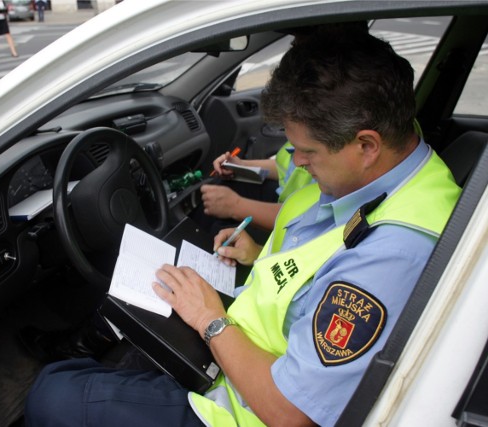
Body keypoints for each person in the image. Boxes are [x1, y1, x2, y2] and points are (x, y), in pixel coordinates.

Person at [24, 30, 462, 426]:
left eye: (307, 153)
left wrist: (210, 320)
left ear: (367, 145)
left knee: (51, 394)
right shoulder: (389, 160)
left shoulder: (395, 253)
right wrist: (257, 256)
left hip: (242, 408)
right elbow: (315, 257)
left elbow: (292, 414)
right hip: (237, 348)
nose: (298, 162)